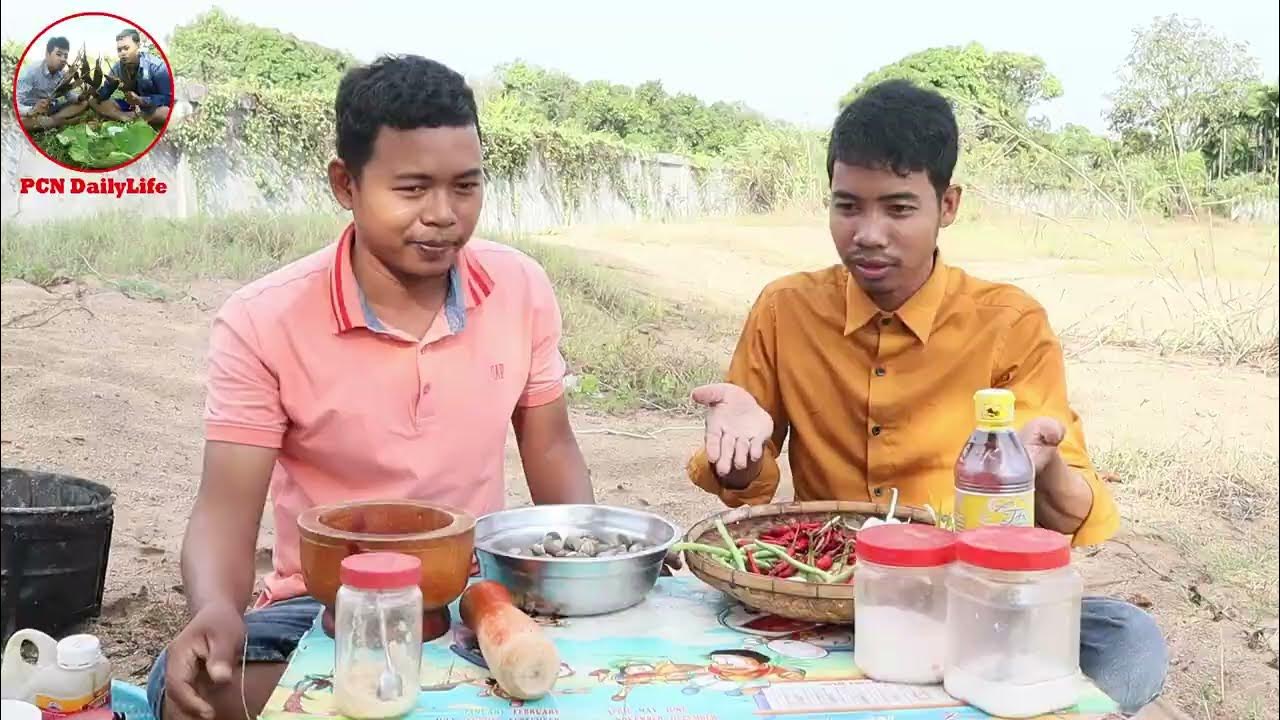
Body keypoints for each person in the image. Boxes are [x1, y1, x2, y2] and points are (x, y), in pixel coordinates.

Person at [686, 79, 1168, 715]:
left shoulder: (1008, 323)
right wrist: (738, 445)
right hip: (823, 590)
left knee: (1129, 639)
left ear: (948, 205)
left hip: (963, 601)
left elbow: (1066, 520)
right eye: (848, 205)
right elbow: (744, 487)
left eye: (899, 208)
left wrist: (1041, 466)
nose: (869, 233)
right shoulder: (785, 310)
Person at [145, 55, 596, 720]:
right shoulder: (263, 320)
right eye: (412, 189)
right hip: (323, 605)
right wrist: (215, 610)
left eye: (465, 187)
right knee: (189, 693)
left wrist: (589, 574)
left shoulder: (519, 288)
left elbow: (552, 449)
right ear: (345, 184)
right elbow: (224, 512)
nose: (443, 215)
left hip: (474, 595)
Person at [90, 28, 171, 128]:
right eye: (119, 50)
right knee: (92, 101)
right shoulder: (117, 68)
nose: (122, 53)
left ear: (138, 46)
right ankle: (126, 118)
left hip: (151, 108)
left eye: (126, 48)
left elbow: (167, 98)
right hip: (129, 107)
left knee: (165, 112)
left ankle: (128, 118)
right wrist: (96, 93)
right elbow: (104, 94)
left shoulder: (157, 67)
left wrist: (141, 100)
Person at [15, 36, 89, 130]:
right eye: (59, 54)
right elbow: (15, 103)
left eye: (65, 56)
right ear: (47, 54)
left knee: (84, 103)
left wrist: (79, 98)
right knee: (19, 121)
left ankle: (53, 120)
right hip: (33, 112)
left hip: (53, 109)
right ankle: (59, 122)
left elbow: (69, 95)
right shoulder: (31, 72)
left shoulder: (62, 74)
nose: (63, 59)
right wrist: (31, 110)